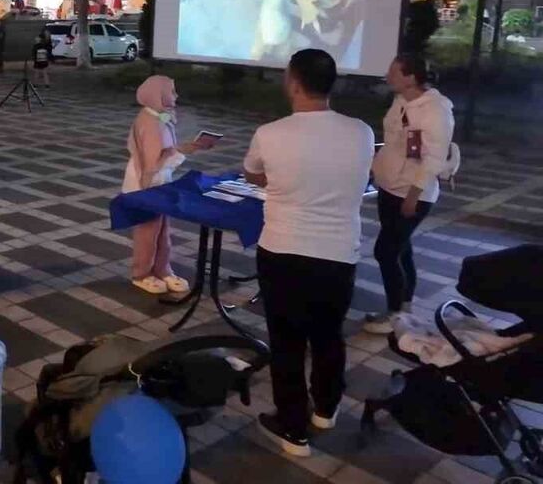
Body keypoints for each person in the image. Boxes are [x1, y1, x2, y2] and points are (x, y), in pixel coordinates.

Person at [242, 49, 374, 457]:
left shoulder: (270, 133)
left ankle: (293, 429)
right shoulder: (361, 132)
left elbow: (252, 173)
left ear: (294, 83)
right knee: (328, 335)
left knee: (287, 343)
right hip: (338, 253)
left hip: (282, 250)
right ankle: (326, 409)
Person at [364, 53, 456, 335]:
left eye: (394, 72)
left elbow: (434, 158)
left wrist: (414, 195)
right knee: (401, 248)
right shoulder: (401, 100)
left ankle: (394, 315)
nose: (388, 76)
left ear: (410, 77)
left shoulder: (436, 110)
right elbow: (396, 142)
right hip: (390, 186)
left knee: (385, 251)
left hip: (412, 192)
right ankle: (404, 306)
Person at [123, 75, 213, 294]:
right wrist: (183, 150)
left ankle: (162, 269)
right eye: (172, 91)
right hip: (146, 182)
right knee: (148, 230)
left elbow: (164, 154)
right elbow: (154, 162)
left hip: (159, 180)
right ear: (158, 94)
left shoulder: (159, 116)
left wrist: (184, 148)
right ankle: (142, 274)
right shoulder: (150, 122)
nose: (176, 95)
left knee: (162, 229)